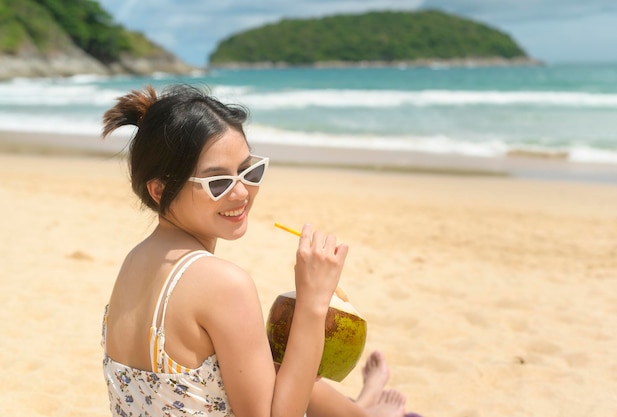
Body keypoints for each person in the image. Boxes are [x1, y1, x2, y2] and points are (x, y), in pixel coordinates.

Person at [100, 84, 408, 417]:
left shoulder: (135, 261)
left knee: (267, 364)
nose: (242, 193)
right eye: (217, 182)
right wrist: (313, 301)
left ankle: (361, 409)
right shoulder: (222, 283)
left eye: (250, 171)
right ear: (160, 190)